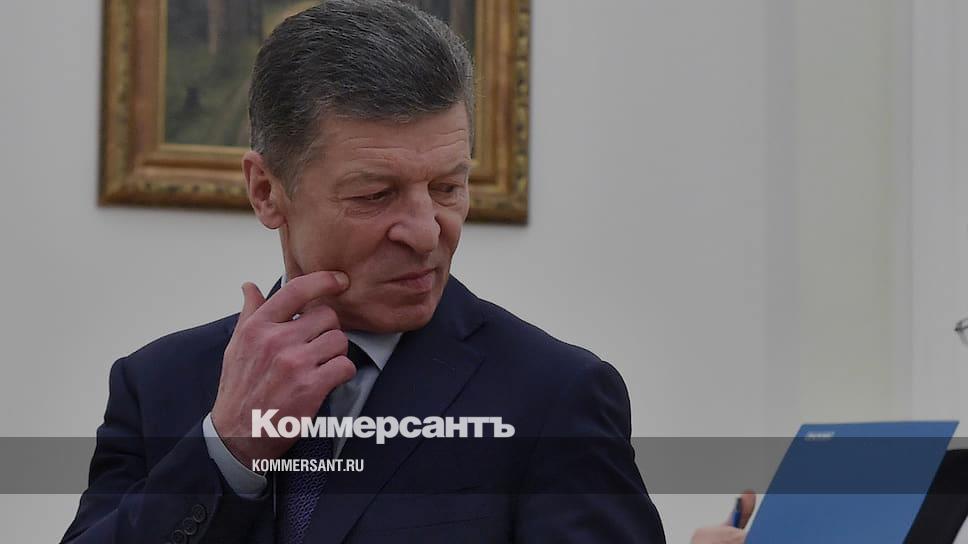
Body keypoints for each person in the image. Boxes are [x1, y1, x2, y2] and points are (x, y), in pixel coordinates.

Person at [62, 1, 665, 542]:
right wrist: (228, 449)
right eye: (375, 195)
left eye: (448, 187)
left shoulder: (556, 397)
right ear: (266, 190)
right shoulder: (157, 385)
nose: (426, 231)